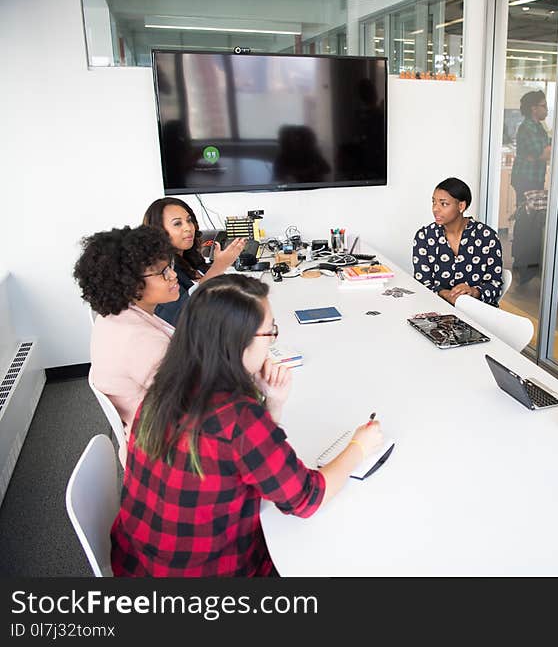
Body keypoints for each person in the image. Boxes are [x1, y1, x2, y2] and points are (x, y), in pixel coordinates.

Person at [110, 275, 384, 576]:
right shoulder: (237, 418)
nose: (273, 343)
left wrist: (273, 403)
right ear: (239, 343)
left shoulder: (164, 388)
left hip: (139, 564)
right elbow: (306, 498)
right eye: (270, 333)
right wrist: (359, 446)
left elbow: (240, 458)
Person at [73, 225, 179, 465]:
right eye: (161, 272)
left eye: (169, 266)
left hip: (147, 436)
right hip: (166, 457)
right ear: (129, 283)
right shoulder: (139, 340)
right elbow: (196, 407)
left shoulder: (115, 317)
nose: (172, 276)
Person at [142, 197, 247, 326]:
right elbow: (182, 315)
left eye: (189, 220)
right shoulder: (159, 274)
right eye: (177, 223)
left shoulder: (193, 261)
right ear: (158, 231)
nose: (188, 228)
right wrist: (218, 267)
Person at [412, 177, 504, 307]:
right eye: (434, 202)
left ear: (461, 206)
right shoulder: (425, 237)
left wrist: (473, 292)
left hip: (478, 313)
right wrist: (446, 294)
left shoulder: (487, 237)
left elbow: (495, 285)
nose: (435, 209)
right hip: (437, 310)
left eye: (443, 204)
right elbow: (422, 284)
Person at [510, 90, 551, 284]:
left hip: (534, 177)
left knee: (530, 220)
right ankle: (523, 263)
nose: (546, 109)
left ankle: (525, 264)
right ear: (534, 108)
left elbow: (544, 152)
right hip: (526, 179)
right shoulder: (527, 127)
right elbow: (542, 153)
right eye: (543, 105)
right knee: (526, 220)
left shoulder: (538, 127)